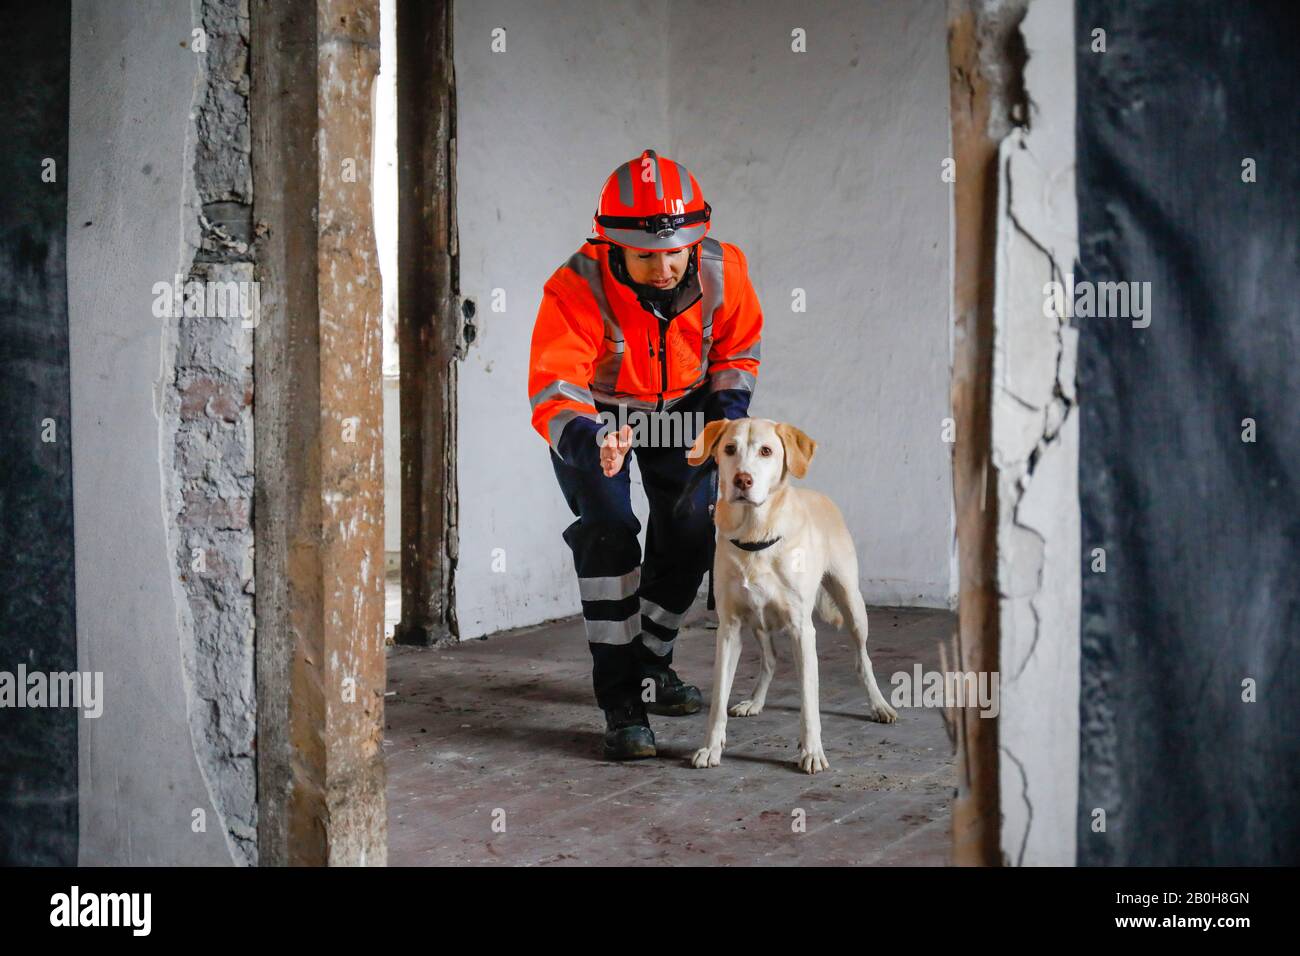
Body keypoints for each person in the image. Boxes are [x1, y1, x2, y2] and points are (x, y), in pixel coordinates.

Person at [527, 148, 763, 759]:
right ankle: (622, 700)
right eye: (644, 256)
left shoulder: (723, 270)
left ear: (695, 238)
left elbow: (737, 351)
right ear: (612, 245)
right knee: (607, 531)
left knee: (689, 533)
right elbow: (555, 387)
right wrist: (592, 439)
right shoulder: (574, 284)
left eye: (673, 252)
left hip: (684, 411)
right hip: (598, 417)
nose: (661, 269)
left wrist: (724, 426)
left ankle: (652, 661)